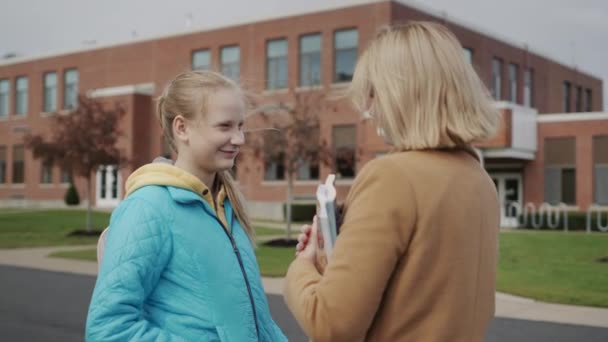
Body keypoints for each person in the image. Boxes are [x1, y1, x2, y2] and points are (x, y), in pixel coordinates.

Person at [284, 21, 501, 342]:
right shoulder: (480, 181)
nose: (368, 109)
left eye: (374, 92)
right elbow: (418, 291)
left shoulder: (391, 177)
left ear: (403, 93)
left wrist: (301, 269)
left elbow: (331, 324)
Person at [86, 70, 287, 341]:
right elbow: (108, 330)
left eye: (240, 126)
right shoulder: (147, 208)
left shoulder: (228, 205)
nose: (239, 138)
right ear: (182, 128)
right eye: (225, 126)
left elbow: (253, 320)